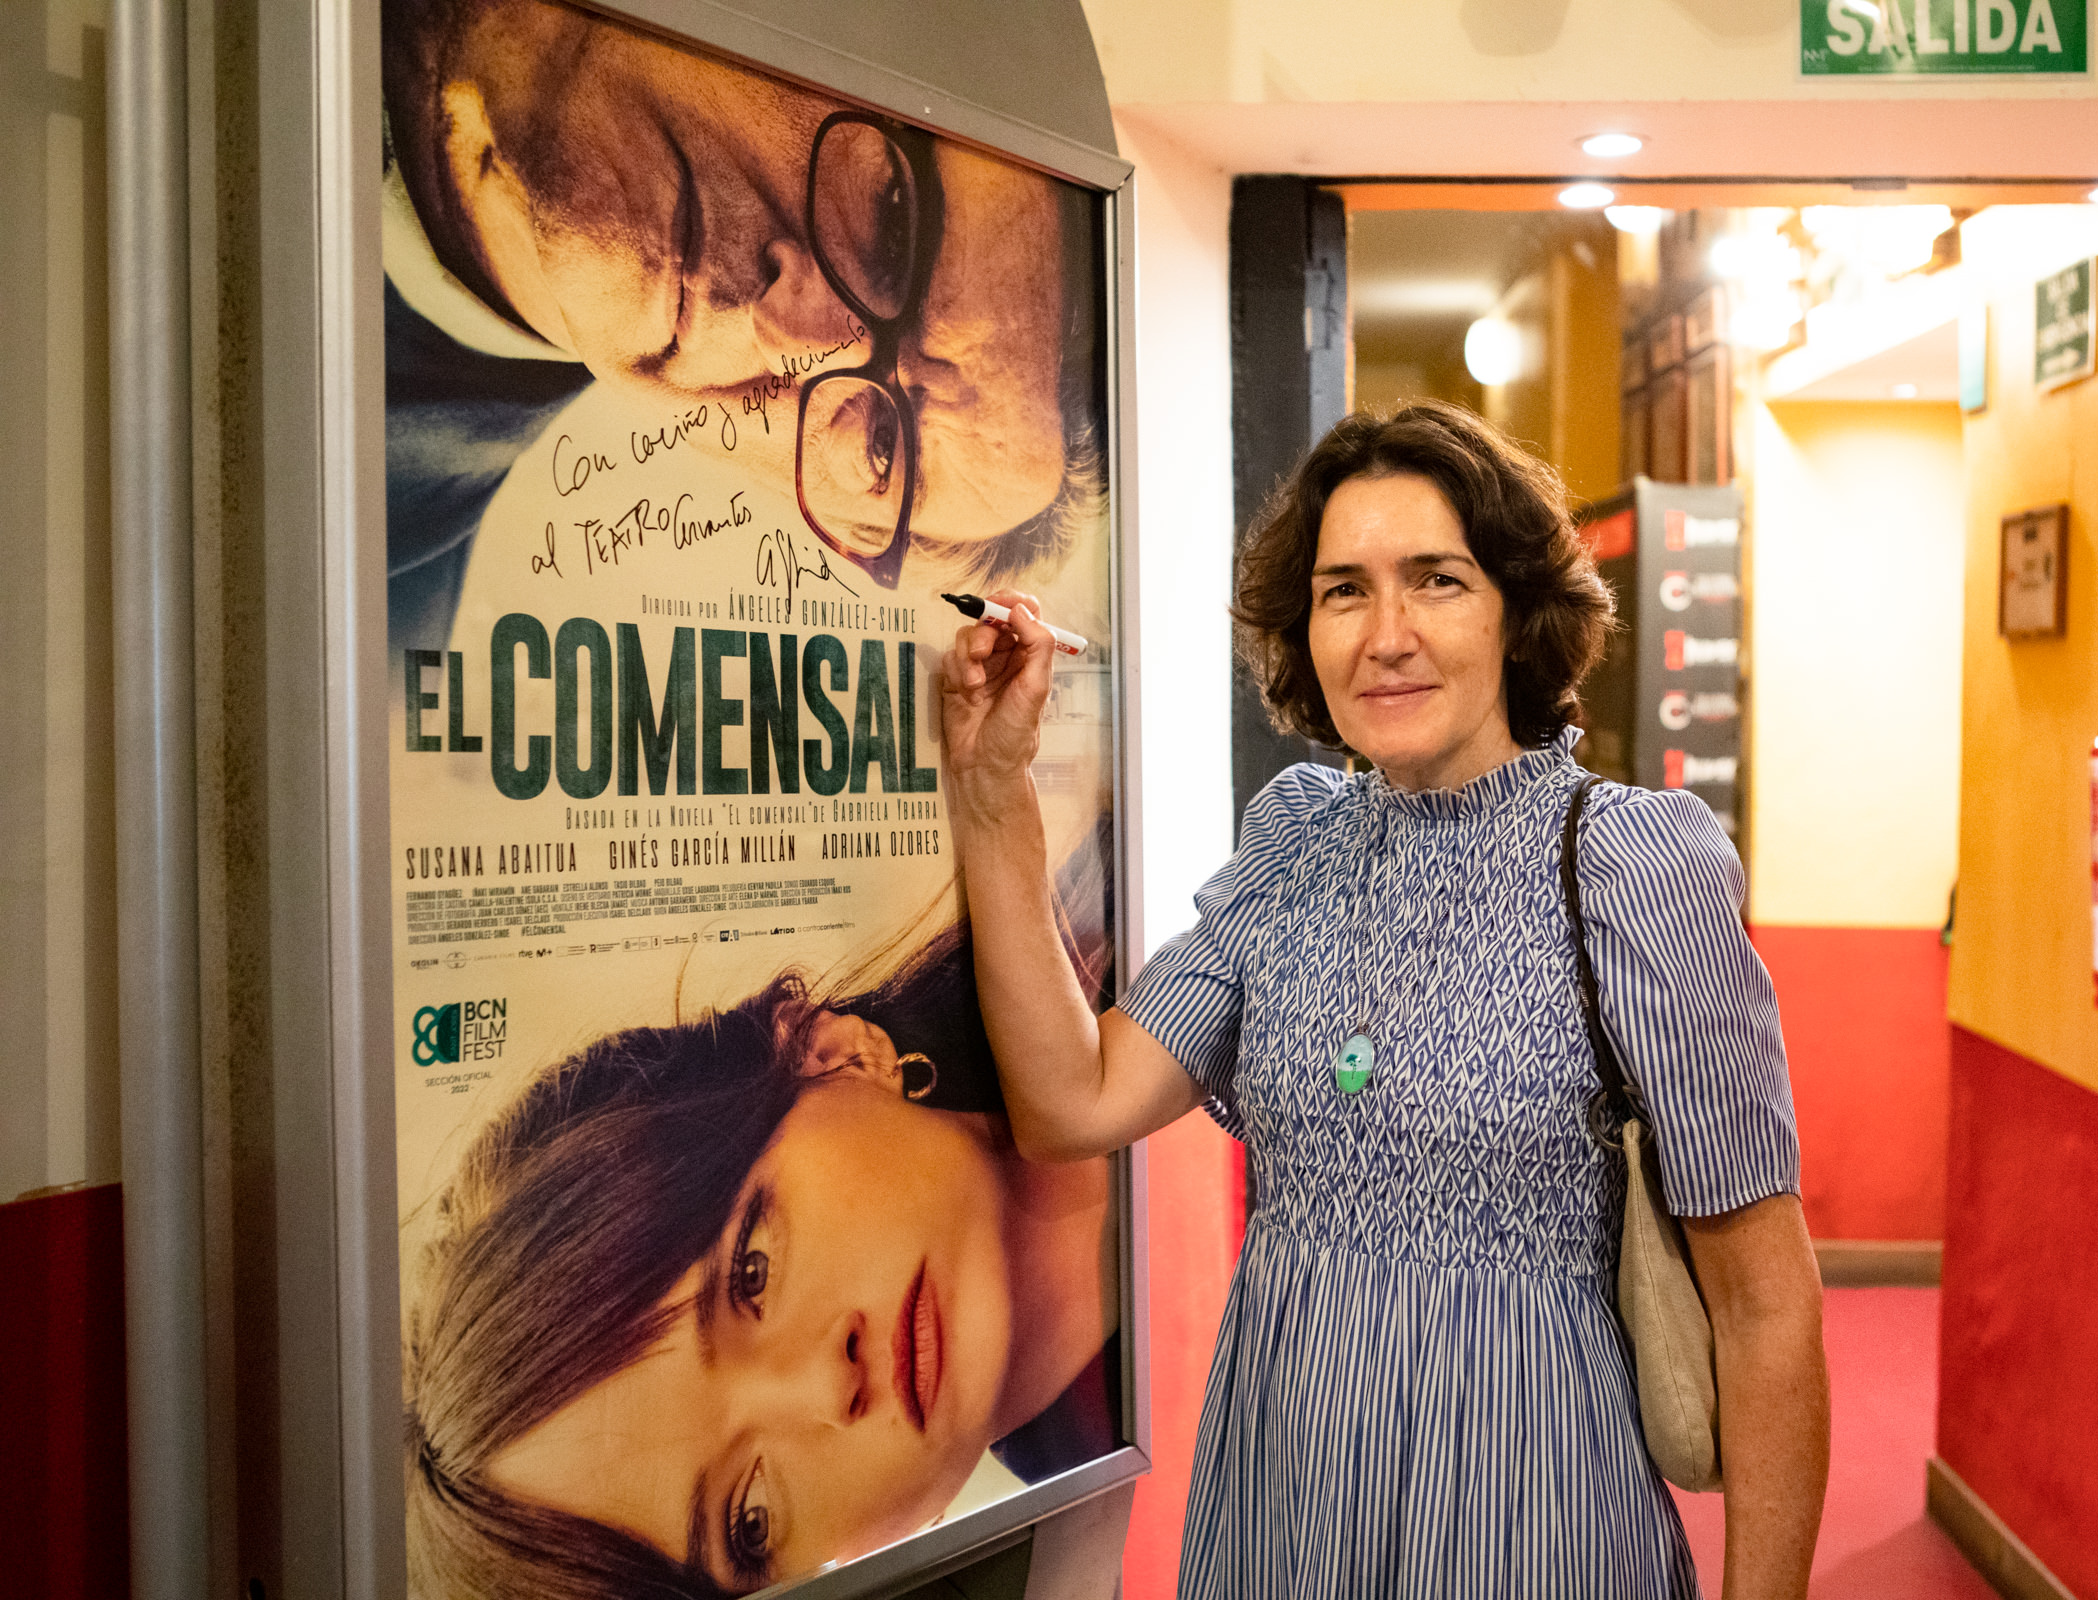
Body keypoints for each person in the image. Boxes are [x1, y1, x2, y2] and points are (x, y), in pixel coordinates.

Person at [941, 401, 1830, 1598]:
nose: (1387, 635)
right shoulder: (1294, 843)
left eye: (1437, 580)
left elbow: (1766, 1306)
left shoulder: (1631, 863)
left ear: (1516, 609)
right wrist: (993, 790)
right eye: (1344, 591)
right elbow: (1074, 1099)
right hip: (1287, 1511)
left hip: (1531, 1520)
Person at [402, 896, 1120, 1599]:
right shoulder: (1123, 1536)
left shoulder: (1143, 919)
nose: (825, 1388)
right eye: (750, 1523)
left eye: (751, 1272)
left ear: (828, 1052)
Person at [381, 0, 1105, 647]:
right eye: (893, 222)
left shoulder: (373, 613)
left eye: (881, 447)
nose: (790, 331)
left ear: (817, 519)